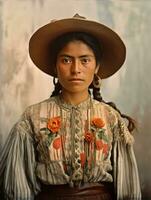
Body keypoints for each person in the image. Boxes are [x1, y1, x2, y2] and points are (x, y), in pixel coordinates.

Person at [0, 14, 141, 200]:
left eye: (85, 60)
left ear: (97, 66)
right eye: (66, 60)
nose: (76, 69)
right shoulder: (32, 117)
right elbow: (17, 186)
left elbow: (128, 189)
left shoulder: (110, 118)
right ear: (55, 66)